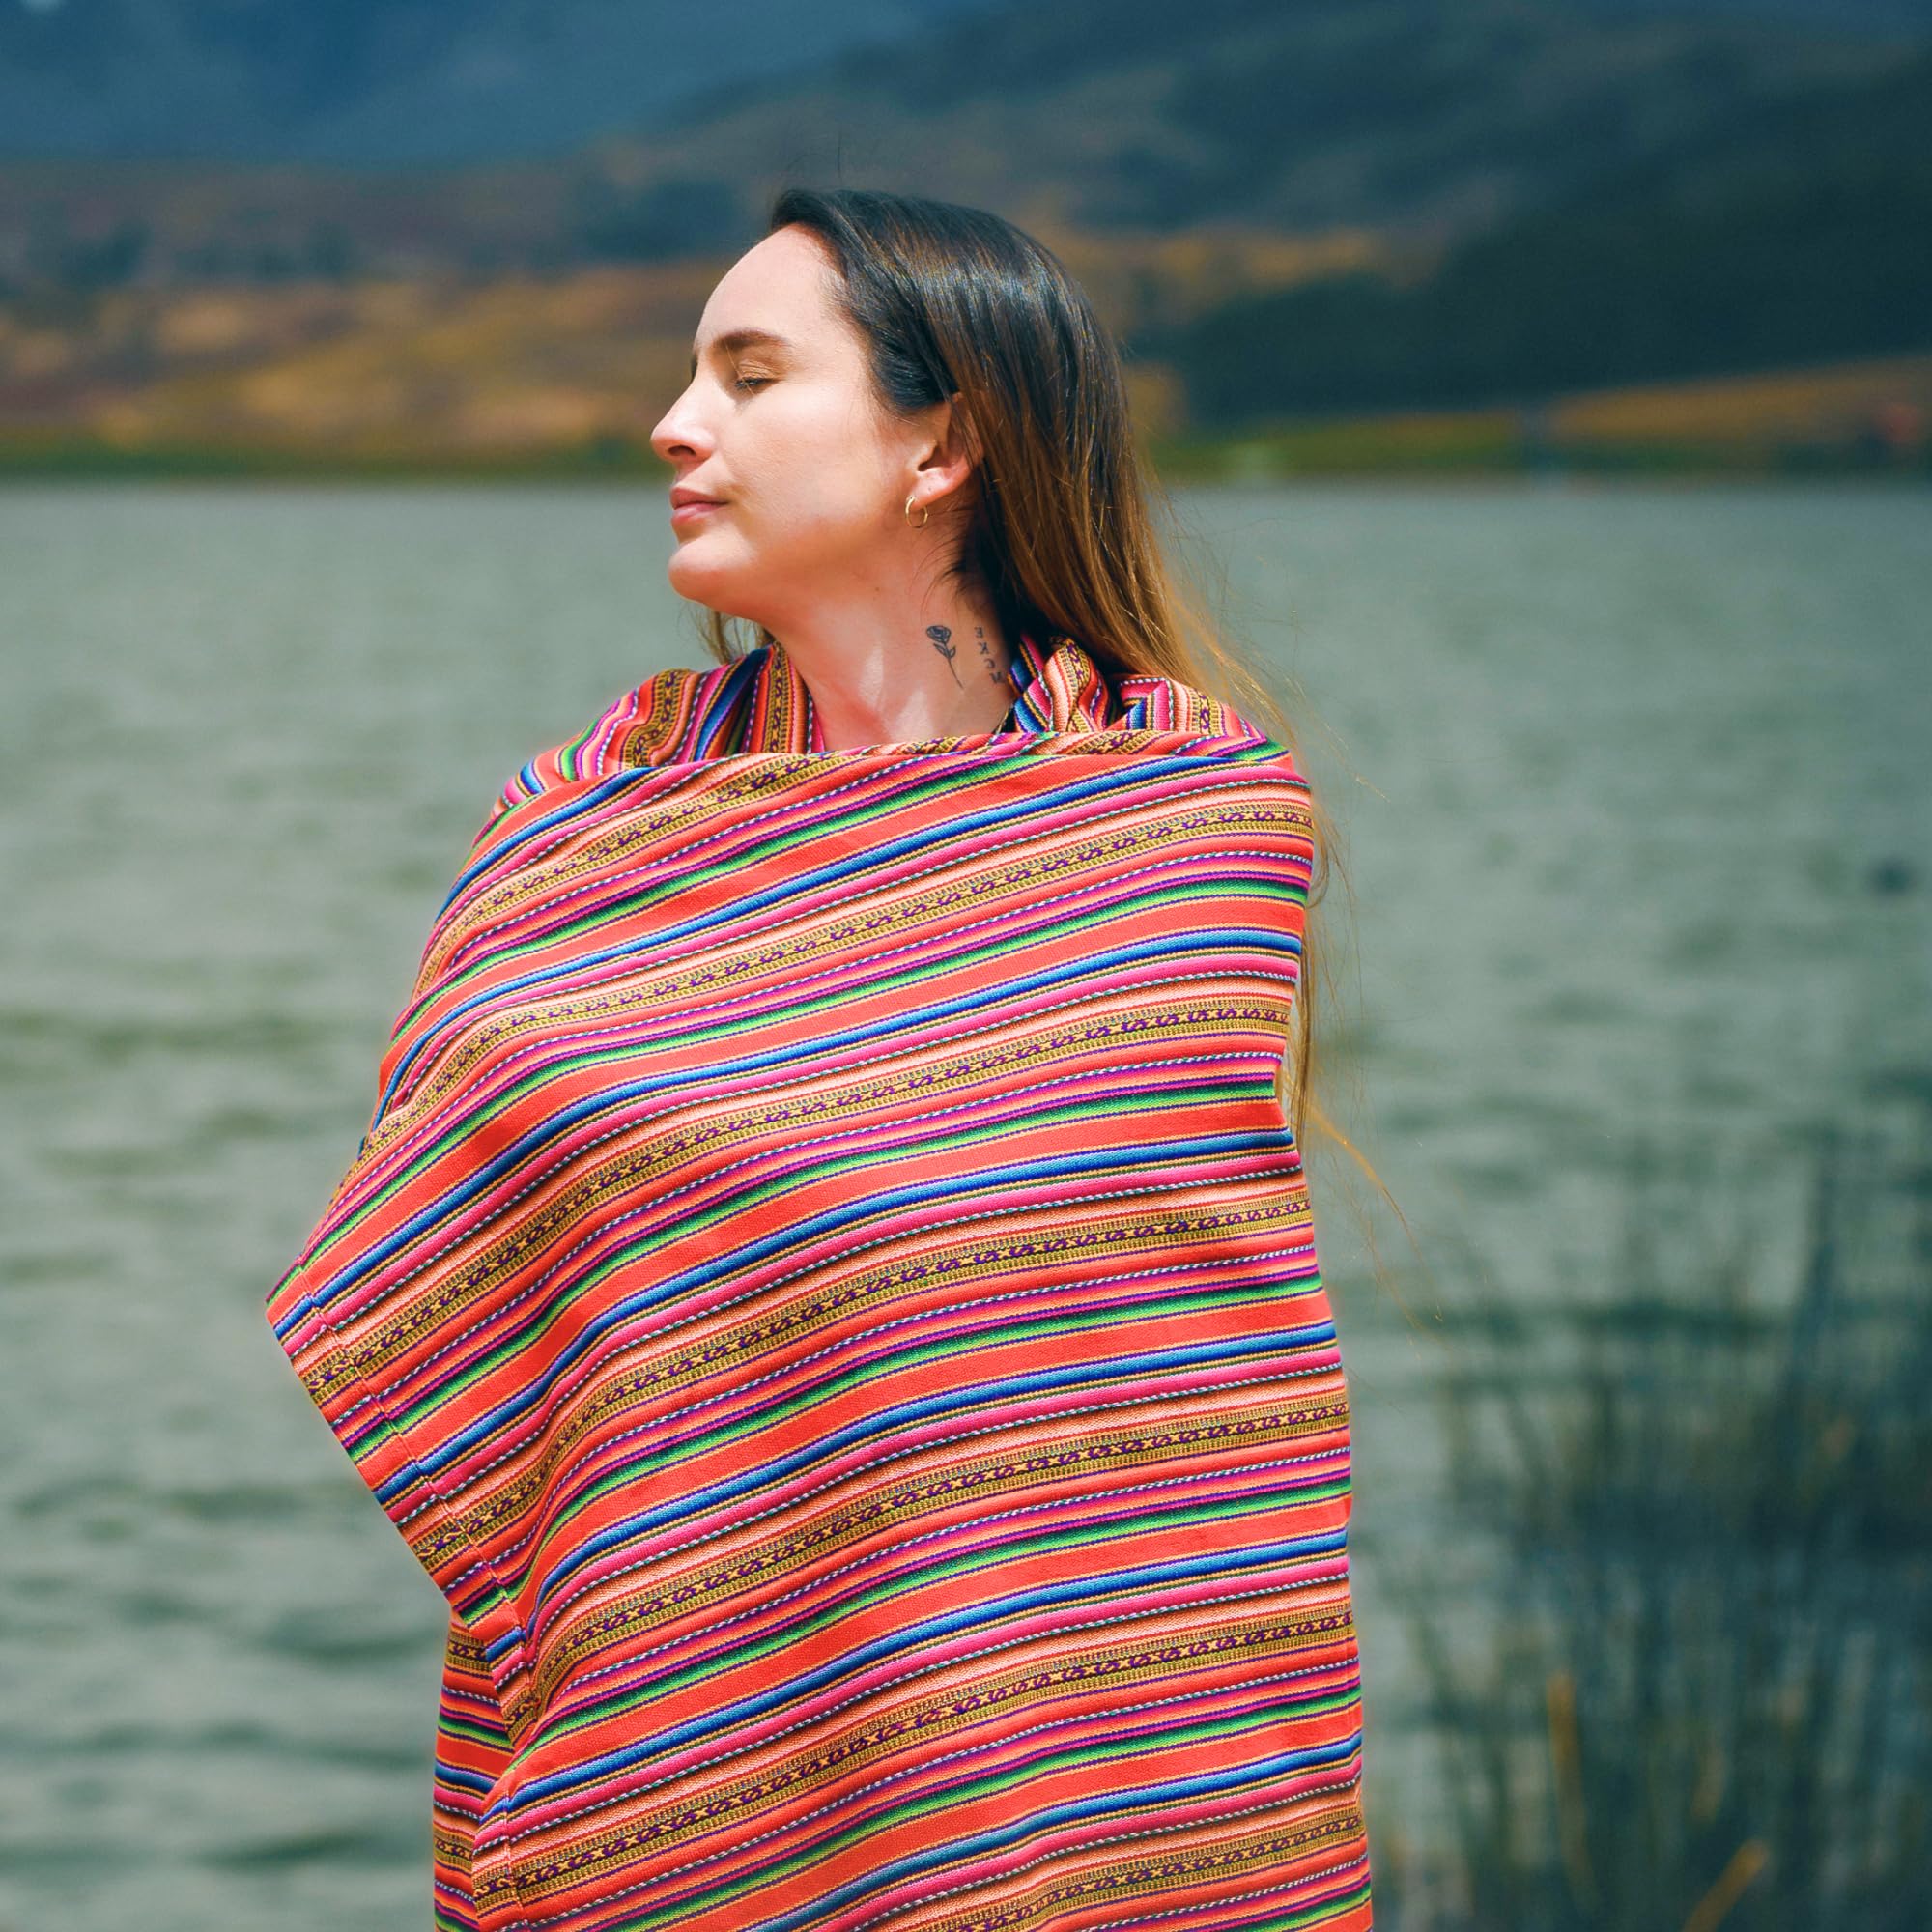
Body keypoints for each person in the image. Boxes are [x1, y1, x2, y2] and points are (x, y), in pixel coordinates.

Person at [268, 185, 1373, 1931]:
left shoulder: (1190, 832)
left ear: (943, 445)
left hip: (1082, 1798)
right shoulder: (575, 830)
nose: (673, 422)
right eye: (688, 374)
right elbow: (454, 1290)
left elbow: (1167, 1392)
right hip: (663, 1745)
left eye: (749, 372)